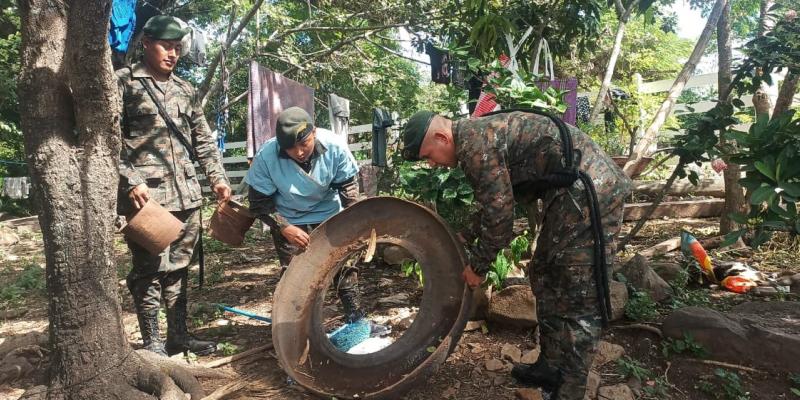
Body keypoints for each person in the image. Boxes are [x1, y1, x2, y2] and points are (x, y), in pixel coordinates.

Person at [401, 109, 632, 400]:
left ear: (440, 137)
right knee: (545, 274)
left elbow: (500, 219)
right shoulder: (474, 138)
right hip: (569, 194)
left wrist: (479, 267)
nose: (432, 164)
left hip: (593, 191)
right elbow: (495, 200)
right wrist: (465, 235)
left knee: (578, 292)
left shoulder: (474, 143)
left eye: (428, 156)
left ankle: (570, 390)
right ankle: (550, 366)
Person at [117, 15, 231, 357]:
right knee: (149, 271)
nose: (173, 53)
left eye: (177, 47)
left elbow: (204, 142)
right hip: (147, 199)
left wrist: (218, 179)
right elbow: (105, 139)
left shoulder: (185, 89)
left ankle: (178, 336)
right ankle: (152, 344)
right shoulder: (124, 83)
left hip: (187, 195)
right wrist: (130, 179)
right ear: (147, 43)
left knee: (178, 269)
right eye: (166, 46)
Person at [246, 107, 372, 329]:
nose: (299, 152)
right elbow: (258, 204)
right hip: (288, 216)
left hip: (328, 212)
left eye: (304, 144)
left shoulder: (335, 147)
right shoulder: (266, 156)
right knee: (294, 274)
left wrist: (353, 228)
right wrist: (283, 227)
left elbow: (349, 191)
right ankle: (295, 327)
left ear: (314, 132)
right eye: (290, 148)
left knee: (343, 265)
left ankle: (356, 317)